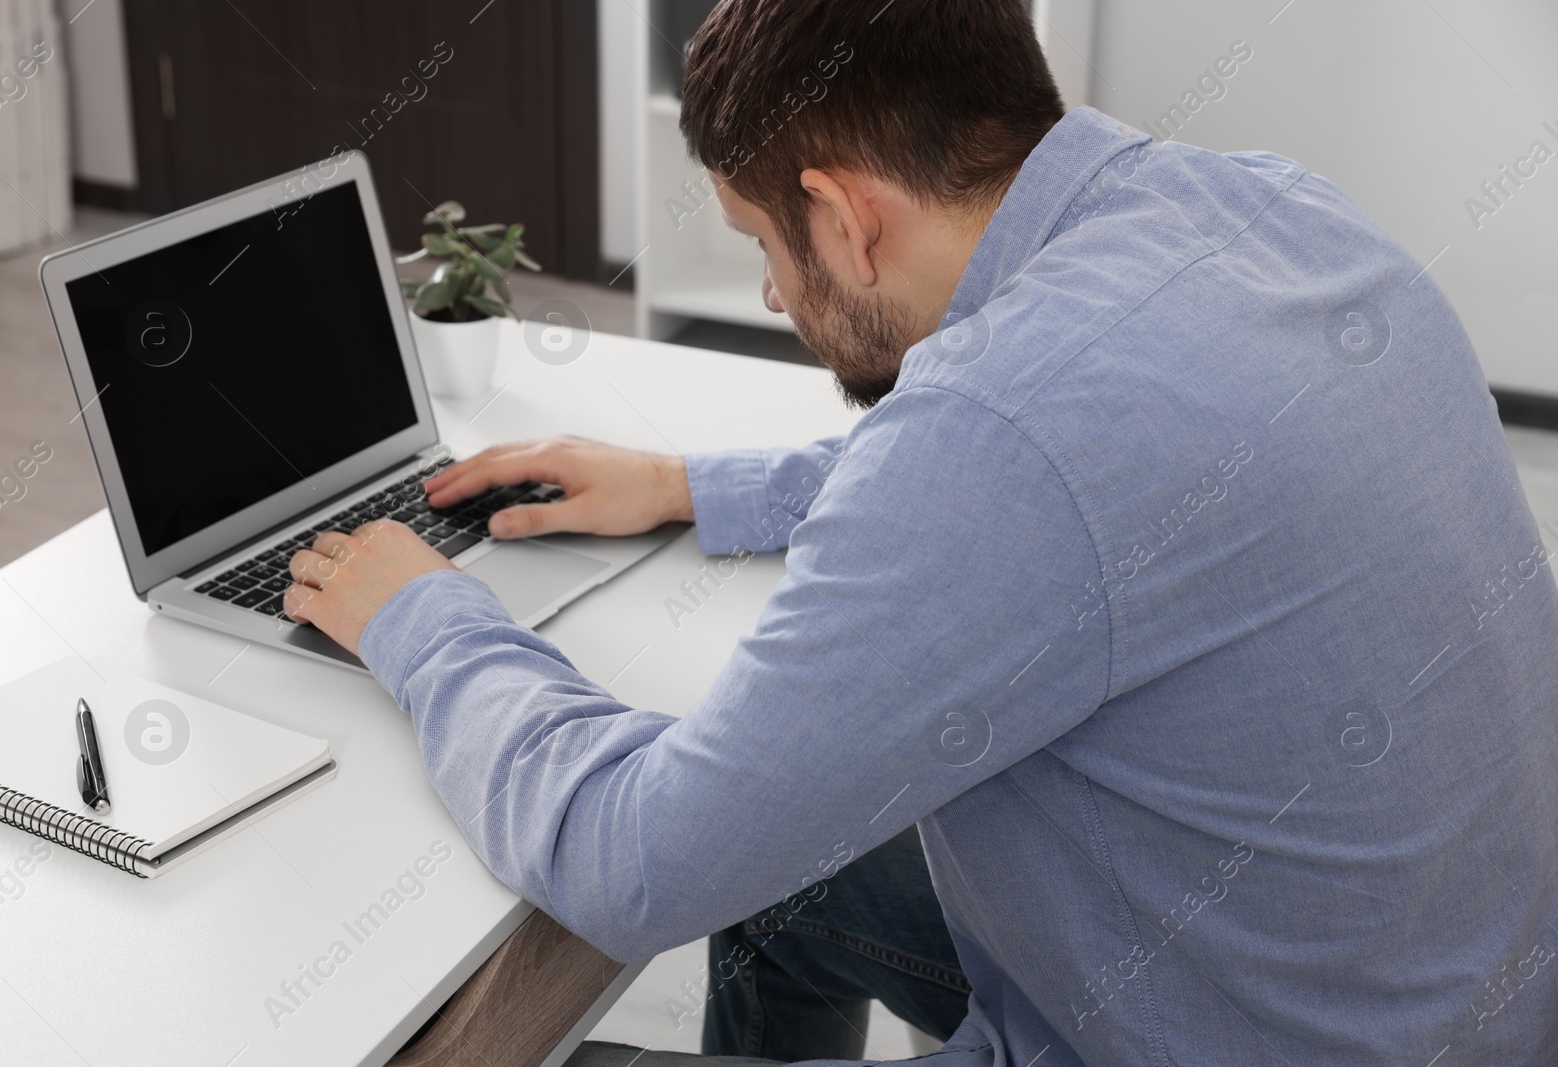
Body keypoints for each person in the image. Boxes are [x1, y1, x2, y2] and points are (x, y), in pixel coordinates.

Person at [279, 1, 1558, 1064]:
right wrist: (688, 483)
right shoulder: (1273, 212)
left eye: (761, 244)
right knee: (785, 887)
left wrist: (420, 615)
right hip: (1434, 990)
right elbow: (1076, 482)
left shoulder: (993, 439)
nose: (775, 291)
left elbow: (635, 860)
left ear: (843, 216)